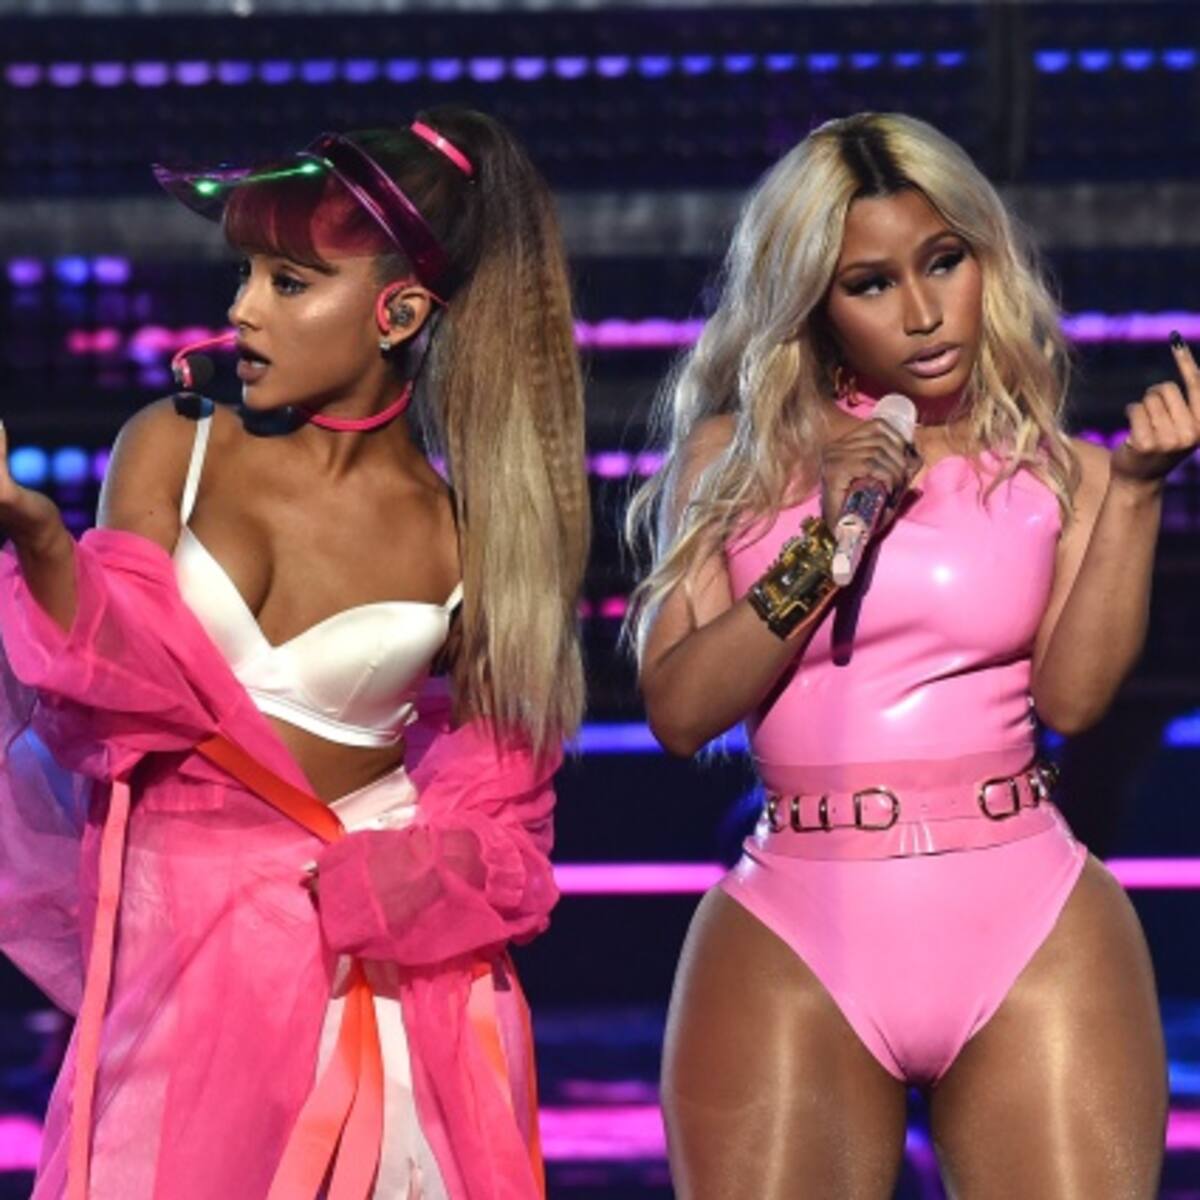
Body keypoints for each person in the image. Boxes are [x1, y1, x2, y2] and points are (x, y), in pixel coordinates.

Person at [0, 105, 588, 1200]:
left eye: (288, 281)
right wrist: (37, 534)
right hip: (183, 953)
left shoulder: (469, 533)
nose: (242, 310)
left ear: (398, 311)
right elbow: (112, 682)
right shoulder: (171, 445)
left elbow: (505, 787)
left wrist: (402, 880)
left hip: (368, 982)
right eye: (247, 276)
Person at [627, 112, 1190, 1198]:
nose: (924, 314)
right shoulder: (733, 464)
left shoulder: (1061, 471)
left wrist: (1135, 495)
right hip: (796, 923)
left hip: (1027, 915)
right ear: (815, 302)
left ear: (987, 260)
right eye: (871, 283)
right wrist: (822, 543)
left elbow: (1074, 699)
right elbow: (681, 713)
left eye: (944, 261)